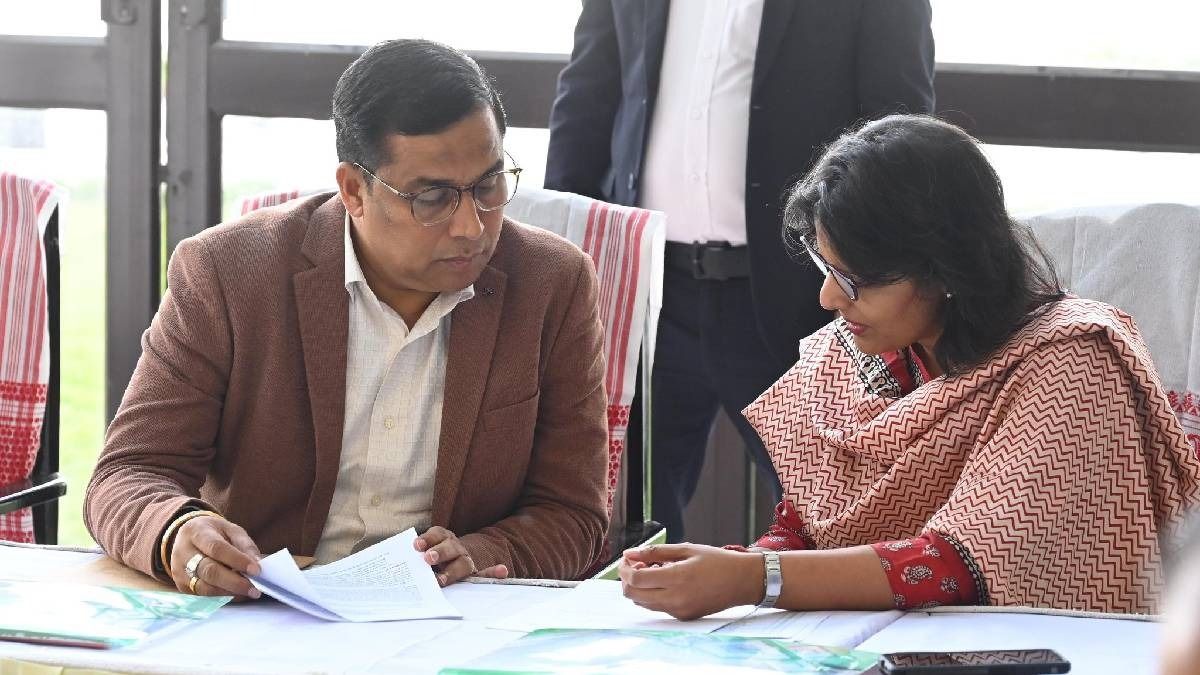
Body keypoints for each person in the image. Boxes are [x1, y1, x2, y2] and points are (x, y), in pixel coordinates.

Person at [85, 39, 610, 598]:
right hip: (266, 608)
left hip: (453, 615)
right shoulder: (226, 273)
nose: (472, 227)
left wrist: (484, 553)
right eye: (432, 197)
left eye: (487, 185)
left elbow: (574, 513)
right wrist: (176, 531)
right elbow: (129, 473)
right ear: (354, 190)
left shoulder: (552, 284)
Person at [618, 114, 1200, 618]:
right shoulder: (851, 351)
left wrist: (752, 579)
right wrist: (720, 568)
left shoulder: (1071, 358)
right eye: (826, 268)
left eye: (854, 281)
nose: (828, 298)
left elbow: (959, 566)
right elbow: (806, 525)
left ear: (945, 269)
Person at [545, 0, 936, 542]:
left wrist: (867, 280)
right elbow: (588, 93)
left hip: (802, 292)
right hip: (646, 285)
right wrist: (565, 253)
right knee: (622, 513)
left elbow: (895, 130)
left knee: (828, 513)